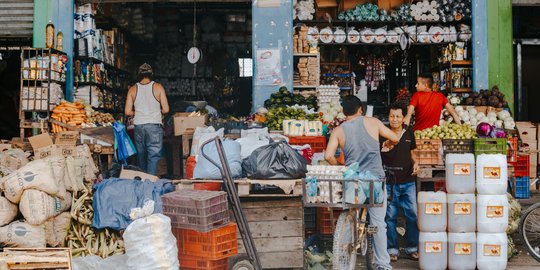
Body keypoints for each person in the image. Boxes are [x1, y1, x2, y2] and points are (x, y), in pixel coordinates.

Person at [325, 96, 400, 270]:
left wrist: (342, 167)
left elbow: (328, 156)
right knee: (378, 224)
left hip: (353, 181)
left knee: (352, 208)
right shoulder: (372, 122)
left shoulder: (338, 130)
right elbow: (395, 138)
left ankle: (350, 230)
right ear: (360, 109)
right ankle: (383, 264)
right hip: (374, 181)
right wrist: (388, 142)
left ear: (344, 112)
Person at [380, 103, 420, 262]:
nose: (394, 119)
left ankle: (412, 248)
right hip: (389, 182)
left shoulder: (409, 131)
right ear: (388, 117)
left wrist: (416, 163)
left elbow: (412, 153)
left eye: (398, 116)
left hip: (408, 181)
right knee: (390, 217)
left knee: (412, 215)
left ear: (404, 118)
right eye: (391, 116)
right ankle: (392, 249)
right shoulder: (383, 133)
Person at [124, 63, 170, 175]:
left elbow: (127, 112)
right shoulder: (158, 87)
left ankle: (143, 182)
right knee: (153, 156)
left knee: (141, 155)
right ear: (151, 74)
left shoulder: (133, 89)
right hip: (154, 126)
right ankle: (150, 183)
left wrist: (137, 112)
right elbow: (166, 109)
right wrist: (157, 111)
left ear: (139, 75)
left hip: (139, 126)